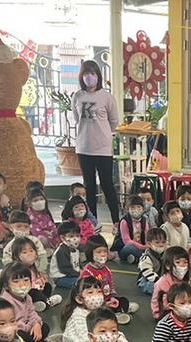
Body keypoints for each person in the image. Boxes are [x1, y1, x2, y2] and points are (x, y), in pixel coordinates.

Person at [73, 59, 121, 226]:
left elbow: (114, 121)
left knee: (107, 185)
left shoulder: (107, 97)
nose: (89, 77)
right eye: (86, 73)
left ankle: (117, 222)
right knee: (89, 187)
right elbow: (77, 119)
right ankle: (92, 223)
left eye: (92, 73)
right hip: (84, 148)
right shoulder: (77, 96)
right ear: (81, 76)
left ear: (98, 76)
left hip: (103, 149)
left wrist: (103, 134)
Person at [0, 262, 54, 342]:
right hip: (14, 330)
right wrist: (29, 327)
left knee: (45, 327)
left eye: (26, 280)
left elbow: (32, 313)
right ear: (6, 286)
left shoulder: (27, 297)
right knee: (18, 334)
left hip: (26, 327)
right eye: (16, 282)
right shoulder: (5, 302)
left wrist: (36, 324)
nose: (22, 285)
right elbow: (11, 324)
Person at [80, 237, 135, 322]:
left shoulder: (106, 270)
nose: (103, 254)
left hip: (107, 299)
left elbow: (111, 287)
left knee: (122, 301)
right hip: (95, 302)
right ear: (90, 253)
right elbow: (87, 296)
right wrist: (104, 304)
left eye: (105, 251)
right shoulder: (88, 272)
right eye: (99, 252)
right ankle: (115, 315)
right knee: (97, 310)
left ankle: (119, 311)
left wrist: (113, 298)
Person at [60, 277, 107, 342]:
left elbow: (112, 329)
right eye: (90, 292)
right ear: (79, 299)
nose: (96, 296)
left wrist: (121, 341)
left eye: (99, 292)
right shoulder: (77, 317)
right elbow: (83, 341)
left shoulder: (101, 312)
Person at [117, 195, 152, 263]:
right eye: (132, 207)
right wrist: (142, 247)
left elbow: (147, 236)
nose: (136, 209)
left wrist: (147, 246)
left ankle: (137, 259)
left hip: (142, 248)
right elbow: (127, 241)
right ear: (127, 209)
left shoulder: (144, 221)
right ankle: (144, 258)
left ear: (143, 209)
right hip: (126, 247)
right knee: (130, 248)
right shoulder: (124, 222)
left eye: (138, 207)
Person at [51, 220, 85, 290]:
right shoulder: (61, 251)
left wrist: (83, 270)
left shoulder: (75, 249)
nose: (75, 239)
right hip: (61, 278)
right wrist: (79, 274)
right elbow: (65, 269)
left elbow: (78, 264)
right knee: (81, 283)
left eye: (77, 235)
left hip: (73, 275)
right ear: (62, 238)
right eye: (71, 236)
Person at [136, 228, 166, 296]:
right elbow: (147, 272)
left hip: (162, 279)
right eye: (157, 242)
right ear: (149, 244)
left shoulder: (166, 254)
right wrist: (159, 281)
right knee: (151, 286)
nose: (161, 245)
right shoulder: (146, 257)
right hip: (147, 280)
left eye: (163, 242)